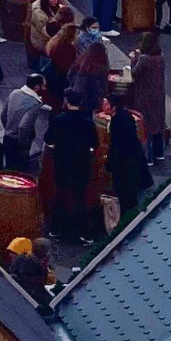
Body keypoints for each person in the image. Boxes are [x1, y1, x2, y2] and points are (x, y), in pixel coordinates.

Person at [46, 90, 99, 236]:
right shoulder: (88, 123)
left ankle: (57, 230)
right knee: (80, 198)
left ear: (66, 102)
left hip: (62, 164)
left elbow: (49, 139)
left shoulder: (58, 120)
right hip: (82, 165)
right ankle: (83, 233)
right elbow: (95, 143)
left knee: (61, 196)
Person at [126, 31, 168, 162]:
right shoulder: (161, 56)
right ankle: (159, 153)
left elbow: (134, 73)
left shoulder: (145, 59)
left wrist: (134, 59)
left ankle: (148, 158)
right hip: (159, 94)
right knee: (158, 124)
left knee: (146, 126)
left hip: (145, 95)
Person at [107, 102, 152, 217]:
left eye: (107, 104)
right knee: (134, 197)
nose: (104, 106)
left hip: (123, 170)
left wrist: (109, 164)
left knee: (126, 198)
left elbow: (114, 148)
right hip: (135, 168)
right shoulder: (127, 120)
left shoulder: (116, 124)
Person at [3, 73, 50, 172]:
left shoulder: (14, 93)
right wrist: (24, 144)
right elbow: (24, 127)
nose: (45, 89)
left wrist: (8, 128)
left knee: (8, 170)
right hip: (19, 145)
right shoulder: (34, 104)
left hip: (7, 139)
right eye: (43, 86)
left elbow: (3, 115)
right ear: (37, 87)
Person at [7, 236, 52, 308]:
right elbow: (36, 288)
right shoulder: (34, 268)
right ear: (43, 253)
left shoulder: (21, 259)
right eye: (49, 251)